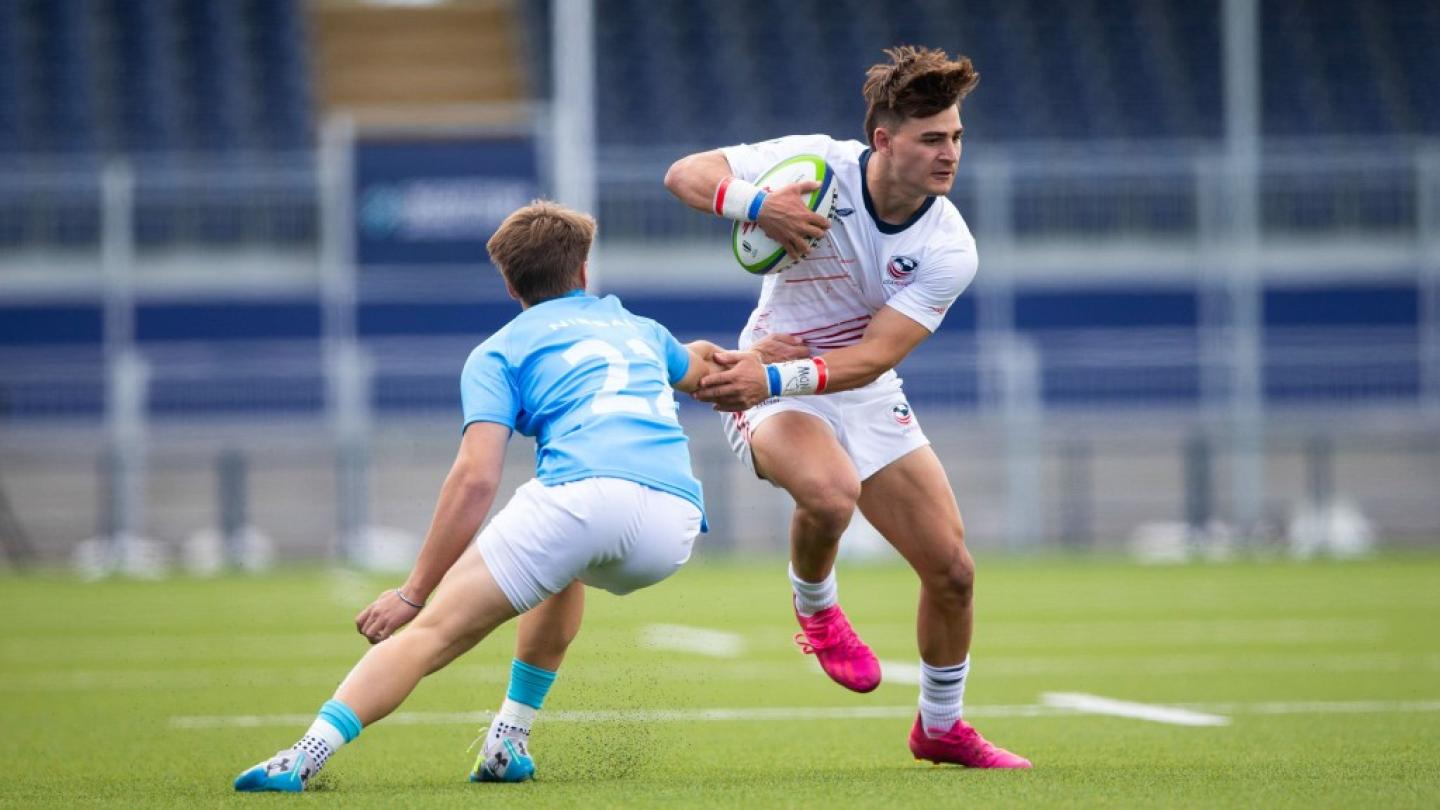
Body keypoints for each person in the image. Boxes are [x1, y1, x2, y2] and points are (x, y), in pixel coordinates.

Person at [234, 200, 731, 791]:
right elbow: (703, 372)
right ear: (583, 273)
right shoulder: (639, 330)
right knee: (561, 566)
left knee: (433, 634)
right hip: (673, 523)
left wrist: (414, 592)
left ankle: (303, 758)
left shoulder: (499, 350)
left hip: (581, 502)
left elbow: (474, 478)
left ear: (509, 283)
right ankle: (508, 742)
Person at [663, 45, 1030, 769]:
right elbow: (684, 174)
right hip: (766, 376)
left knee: (953, 572)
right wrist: (760, 205)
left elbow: (874, 357)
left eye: (956, 137)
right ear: (884, 141)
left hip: (825, 384)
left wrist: (771, 381)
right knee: (831, 494)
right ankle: (816, 605)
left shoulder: (949, 245)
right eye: (932, 139)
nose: (949, 153)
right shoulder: (815, 164)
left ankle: (941, 727)